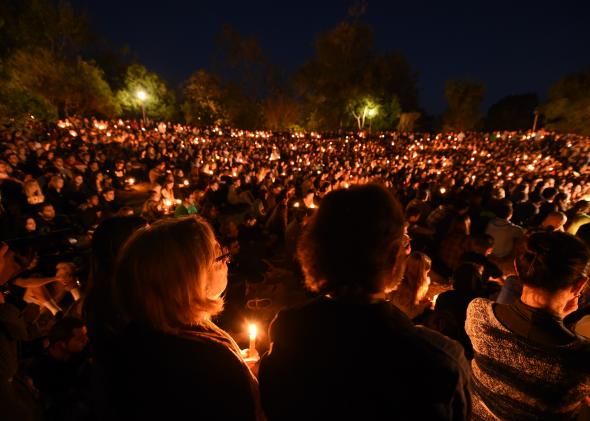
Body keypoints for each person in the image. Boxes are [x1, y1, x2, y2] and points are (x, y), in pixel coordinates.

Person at [259, 184, 471, 420]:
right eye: (403, 243)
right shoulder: (438, 361)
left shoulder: (286, 331)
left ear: (315, 250)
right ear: (393, 256)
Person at [104, 215, 261, 419]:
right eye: (219, 257)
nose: (226, 262)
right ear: (190, 280)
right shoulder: (207, 364)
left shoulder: (135, 336)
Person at [465, 231, 590, 419]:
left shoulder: (478, 313)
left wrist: (558, 318)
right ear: (580, 285)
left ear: (517, 267)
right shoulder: (581, 358)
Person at [389, 251, 433, 320]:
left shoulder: (415, 283)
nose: (427, 274)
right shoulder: (404, 286)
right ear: (421, 271)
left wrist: (421, 301)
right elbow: (407, 313)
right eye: (426, 271)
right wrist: (424, 306)